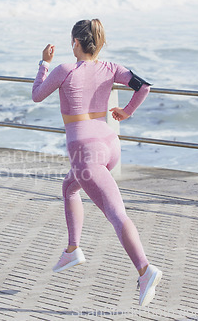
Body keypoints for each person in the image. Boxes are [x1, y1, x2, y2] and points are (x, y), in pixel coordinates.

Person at [31, 19, 162, 307]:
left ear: (76, 43)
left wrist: (44, 63)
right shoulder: (112, 68)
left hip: (84, 150)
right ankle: (72, 249)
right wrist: (126, 112)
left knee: (116, 215)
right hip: (108, 143)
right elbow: (144, 87)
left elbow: (37, 94)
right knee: (69, 187)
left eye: (72, 42)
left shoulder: (64, 70)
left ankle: (145, 270)